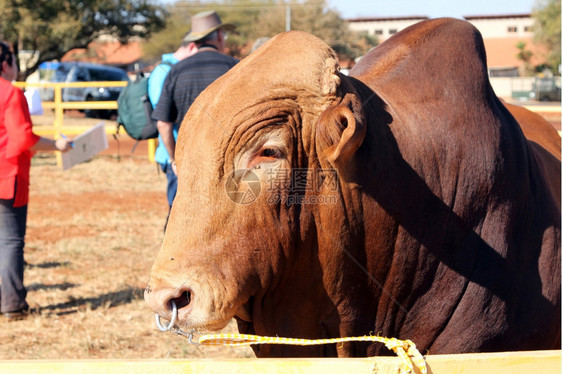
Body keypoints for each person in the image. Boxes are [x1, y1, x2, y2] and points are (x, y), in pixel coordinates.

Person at [0, 41, 73, 320]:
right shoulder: (10, 94)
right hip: (8, 175)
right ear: (6, 63)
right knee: (9, 241)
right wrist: (57, 145)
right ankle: (12, 304)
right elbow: (22, 140)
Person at [152, 10, 238, 178]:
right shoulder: (237, 68)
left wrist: (174, 159)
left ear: (195, 41)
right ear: (219, 36)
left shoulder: (175, 71)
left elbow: (163, 123)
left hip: (189, 163)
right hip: (230, 163)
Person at [148, 36, 198, 217]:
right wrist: (174, 159)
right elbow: (162, 117)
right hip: (174, 155)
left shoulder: (180, 69)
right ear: (192, 47)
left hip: (185, 155)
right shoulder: (164, 70)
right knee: (178, 214)